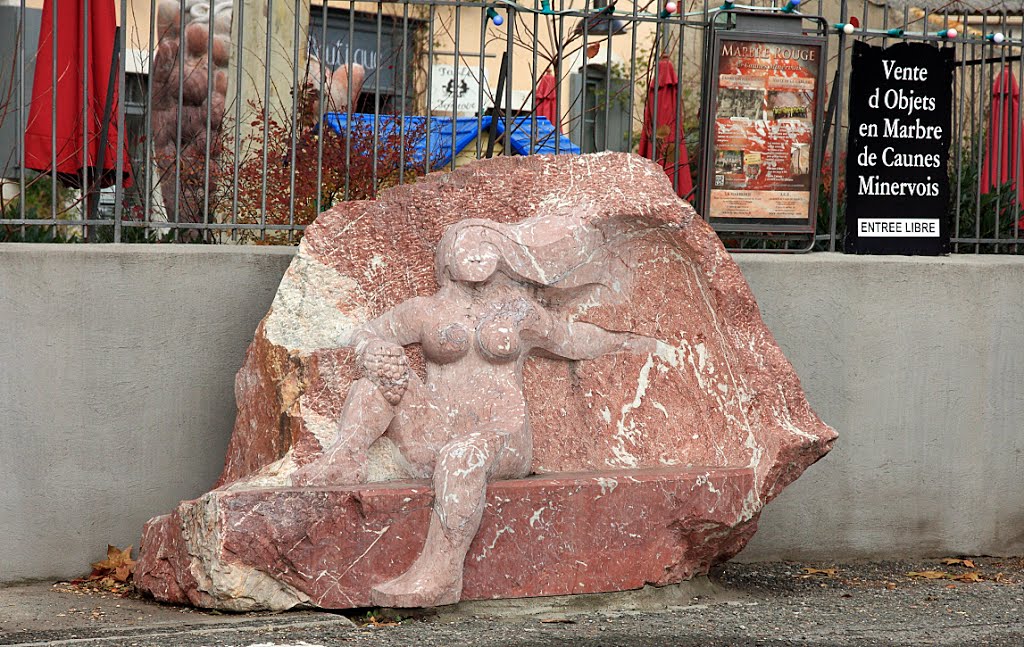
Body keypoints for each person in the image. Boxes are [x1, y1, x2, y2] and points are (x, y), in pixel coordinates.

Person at [292, 216, 655, 607]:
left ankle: (442, 573)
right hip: (433, 430)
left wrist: (631, 342)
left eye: (489, 243)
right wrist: (374, 352)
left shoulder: (519, 312)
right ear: (446, 257)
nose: (479, 250)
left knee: (462, 457)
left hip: (501, 435)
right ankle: (344, 459)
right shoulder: (423, 311)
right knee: (374, 386)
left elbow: (570, 340)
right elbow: (366, 333)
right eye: (467, 242)